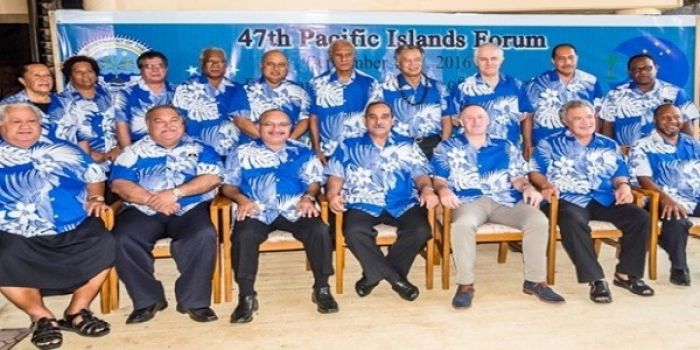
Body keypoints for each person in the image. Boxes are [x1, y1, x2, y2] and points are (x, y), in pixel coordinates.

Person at [0, 103, 114, 350]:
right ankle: (41, 317)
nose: (25, 127)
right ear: (2, 126)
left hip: (73, 223)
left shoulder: (64, 150)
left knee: (105, 242)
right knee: (3, 255)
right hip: (14, 229)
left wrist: (96, 197)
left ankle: (77, 311)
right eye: (16, 122)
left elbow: (94, 175)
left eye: (31, 121)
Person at [432, 104, 565, 309]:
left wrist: (528, 188)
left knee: (537, 220)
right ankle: (466, 285)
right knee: (462, 225)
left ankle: (535, 280)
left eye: (480, 117)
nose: (475, 122)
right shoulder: (447, 147)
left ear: (488, 120)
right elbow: (439, 180)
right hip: (469, 201)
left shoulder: (506, 145)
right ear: (460, 121)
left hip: (505, 199)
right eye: (469, 118)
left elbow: (518, 178)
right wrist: (443, 190)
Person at [529, 99, 653, 303]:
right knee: (571, 220)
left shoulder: (608, 144)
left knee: (639, 217)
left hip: (603, 196)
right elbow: (535, 171)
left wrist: (623, 186)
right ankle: (596, 279)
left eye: (589, 116)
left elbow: (620, 172)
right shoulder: (549, 143)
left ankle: (626, 274)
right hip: (568, 198)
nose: (586, 122)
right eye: (578, 118)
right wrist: (545, 186)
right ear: (566, 122)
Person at [111, 105, 222, 324]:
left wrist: (174, 194)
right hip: (143, 209)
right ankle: (147, 300)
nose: (168, 125)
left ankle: (194, 301)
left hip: (188, 208)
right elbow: (119, 184)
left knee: (203, 235)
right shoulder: (132, 152)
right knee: (122, 238)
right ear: (148, 125)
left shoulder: (201, 148)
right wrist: (153, 200)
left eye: (174, 120)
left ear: (183, 124)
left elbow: (212, 178)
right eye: (159, 121)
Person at [223, 109, 337, 323]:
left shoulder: (303, 151)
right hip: (256, 208)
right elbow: (228, 186)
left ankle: (322, 288)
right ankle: (246, 296)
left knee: (319, 230)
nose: (276, 129)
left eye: (282, 124)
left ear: (291, 128)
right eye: (269, 124)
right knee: (243, 235)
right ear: (258, 127)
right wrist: (241, 200)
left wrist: (308, 197)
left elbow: (313, 181)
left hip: (294, 207)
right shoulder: (241, 152)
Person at [326, 101, 438, 301]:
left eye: (384, 117)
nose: (379, 121)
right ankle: (396, 279)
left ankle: (372, 275)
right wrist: (333, 194)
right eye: (373, 117)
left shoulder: (407, 144)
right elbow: (335, 176)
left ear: (392, 120)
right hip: (363, 201)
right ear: (365, 120)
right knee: (353, 230)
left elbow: (420, 173)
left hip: (401, 201)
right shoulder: (348, 145)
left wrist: (427, 188)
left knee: (421, 230)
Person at [629, 103, 700, 286]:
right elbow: (643, 178)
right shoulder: (642, 145)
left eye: (676, 117)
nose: (672, 121)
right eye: (666, 117)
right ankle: (679, 268)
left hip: (694, 197)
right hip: (659, 198)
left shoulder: (693, 143)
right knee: (676, 217)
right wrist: (667, 198)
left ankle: (664, 239)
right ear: (655, 120)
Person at [600, 54, 699, 147]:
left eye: (648, 68)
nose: (642, 72)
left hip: (665, 155)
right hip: (626, 155)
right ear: (630, 73)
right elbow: (607, 125)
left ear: (656, 68)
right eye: (636, 69)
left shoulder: (676, 93)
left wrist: (687, 152)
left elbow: (686, 124)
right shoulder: (615, 94)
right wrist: (609, 150)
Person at [520, 43, 603, 155]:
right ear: (553, 61)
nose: (567, 62)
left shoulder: (591, 81)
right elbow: (528, 116)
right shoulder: (536, 83)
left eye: (571, 58)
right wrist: (527, 145)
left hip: (582, 148)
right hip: (545, 147)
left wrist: (594, 144)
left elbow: (596, 116)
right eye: (561, 59)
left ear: (577, 59)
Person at [308, 39, 382, 164]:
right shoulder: (316, 84)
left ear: (354, 56)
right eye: (339, 55)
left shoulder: (370, 83)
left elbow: (376, 118)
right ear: (331, 57)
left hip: (360, 151)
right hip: (328, 152)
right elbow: (313, 118)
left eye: (348, 55)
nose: (344, 59)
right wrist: (316, 149)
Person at [379, 44, 452, 158]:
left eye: (417, 59)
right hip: (398, 147)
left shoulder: (438, 87)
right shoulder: (385, 88)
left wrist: (444, 146)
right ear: (398, 63)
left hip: (433, 147)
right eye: (407, 60)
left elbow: (446, 119)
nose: (413, 64)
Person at [50, 55, 120, 167]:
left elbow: (126, 124)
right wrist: (88, 154)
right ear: (70, 76)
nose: (85, 75)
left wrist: (119, 148)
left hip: (118, 160)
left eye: (89, 71)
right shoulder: (60, 102)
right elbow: (58, 134)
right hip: (82, 164)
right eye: (78, 72)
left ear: (96, 74)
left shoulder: (113, 96)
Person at [451, 43, 526, 147]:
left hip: (508, 150)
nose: (489, 63)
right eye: (483, 59)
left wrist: (528, 143)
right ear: (476, 61)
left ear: (501, 60)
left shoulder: (516, 85)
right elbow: (453, 119)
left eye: (494, 58)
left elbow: (526, 116)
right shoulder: (462, 88)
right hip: (472, 150)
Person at [172, 47, 241, 157]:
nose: (215, 65)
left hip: (230, 153)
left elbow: (242, 120)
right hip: (196, 153)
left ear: (225, 64)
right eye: (211, 61)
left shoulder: (237, 89)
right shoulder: (186, 88)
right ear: (202, 63)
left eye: (220, 61)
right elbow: (178, 121)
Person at [231, 49, 311, 144]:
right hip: (254, 149)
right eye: (270, 64)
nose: (275, 68)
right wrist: (268, 142)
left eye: (281, 65)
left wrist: (288, 142)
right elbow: (240, 120)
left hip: (290, 149)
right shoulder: (244, 89)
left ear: (287, 68)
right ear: (262, 65)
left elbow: (305, 120)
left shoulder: (300, 92)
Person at [115, 50, 175, 147]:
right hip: (138, 146)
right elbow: (121, 125)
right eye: (148, 66)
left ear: (166, 69)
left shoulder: (177, 92)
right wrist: (128, 152)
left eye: (159, 66)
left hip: (174, 146)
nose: (155, 70)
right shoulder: (126, 94)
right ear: (140, 70)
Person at [0, 62, 56, 142]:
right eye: (37, 76)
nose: (44, 79)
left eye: (48, 75)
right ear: (23, 81)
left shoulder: (67, 103)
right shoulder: (8, 105)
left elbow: (80, 136)